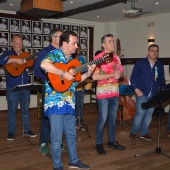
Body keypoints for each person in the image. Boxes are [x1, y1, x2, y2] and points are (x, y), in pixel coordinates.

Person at [40, 31, 96, 170]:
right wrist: (63, 73)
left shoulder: (74, 61)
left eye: (77, 43)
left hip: (69, 101)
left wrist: (88, 73)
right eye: (74, 43)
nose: (76, 46)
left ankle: (74, 160)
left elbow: (76, 81)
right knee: (57, 137)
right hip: (55, 102)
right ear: (64, 43)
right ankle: (57, 166)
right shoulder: (54, 54)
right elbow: (44, 65)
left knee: (71, 134)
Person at [92, 34, 125, 155]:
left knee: (112, 119)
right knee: (102, 119)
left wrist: (119, 75)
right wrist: (111, 75)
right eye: (110, 42)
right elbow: (94, 76)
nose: (112, 43)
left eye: (112, 41)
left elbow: (121, 73)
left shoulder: (116, 57)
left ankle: (111, 141)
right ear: (103, 44)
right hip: (103, 94)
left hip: (114, 93)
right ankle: (99, 143)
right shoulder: (99, 58)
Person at [34, 29, 65, 156]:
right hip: (49, 89)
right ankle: (43, 143)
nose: (63, 38)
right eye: (61, 36)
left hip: (62, 89)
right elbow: (36, 71)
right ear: (53, 38)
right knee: (47, 117)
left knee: (60, 116)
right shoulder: (44, 52)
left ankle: (55, 142)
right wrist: (50, 77)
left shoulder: (63, 52)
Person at [0, 35, 37, 140]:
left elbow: (32, 64)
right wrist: (17, 59)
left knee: (25, 110)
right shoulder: (7, 53)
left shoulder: (25, 54)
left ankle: (27, 129)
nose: (19, 45)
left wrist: (30, 60)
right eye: (17, 43)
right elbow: (2, 60)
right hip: (13, 87)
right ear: (12, 44)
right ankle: (11, 132)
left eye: (21, 43)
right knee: (12, 110)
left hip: (25, 86)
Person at [129, 44, 166, 142]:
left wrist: (163, 92)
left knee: (149, 114)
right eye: (152, 50)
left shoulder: (160, 65)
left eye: (156, 51)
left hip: (153, 94)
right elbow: (133, 77)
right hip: (141, 93)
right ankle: (133, 132)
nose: (154, 52)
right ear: (148, 52)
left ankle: (144, 133)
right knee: (140, 113)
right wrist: (136, 89)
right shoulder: (140, 63)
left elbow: (161, 80)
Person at [72, 43, 87, 130]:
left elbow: (85, 70)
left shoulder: (81, 59)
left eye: (78, 49)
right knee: (73, 106)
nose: (76, 51)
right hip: (72, 86)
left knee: (80, 106)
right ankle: (73, 123)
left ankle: (79, 123)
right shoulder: (70, 58)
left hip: (80, 86)